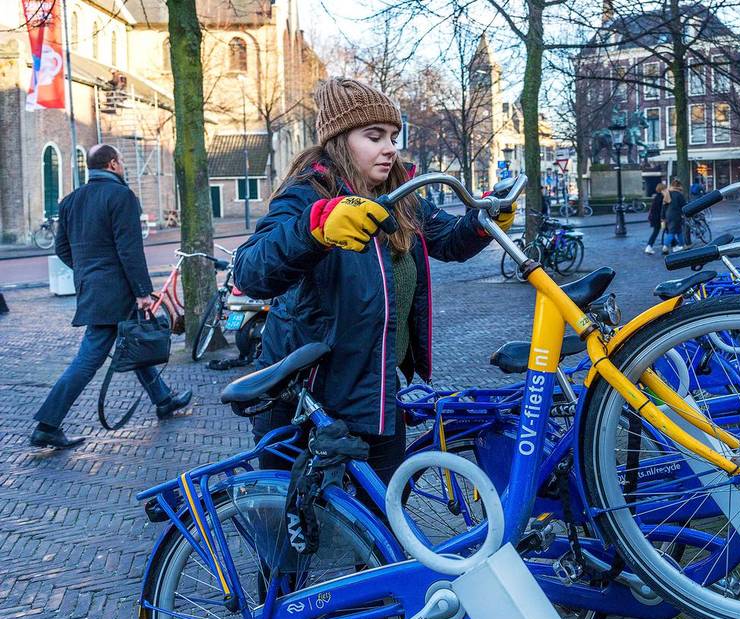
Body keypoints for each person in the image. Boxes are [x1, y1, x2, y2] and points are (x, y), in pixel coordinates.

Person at [233, 77, 514, 488]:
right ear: (340, 140)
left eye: (394, 136)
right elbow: (250, 271)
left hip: (377, 392)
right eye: (374, 136)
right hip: (308, 402)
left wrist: (483, 221)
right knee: (297, 533)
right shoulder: (306, 193)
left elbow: (448, 239)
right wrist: (317, 227)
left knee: (380, 525)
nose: (390, 148)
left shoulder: (401, 195)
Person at [29, 145, 191, 450]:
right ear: (114, 163)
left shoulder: (70, 201)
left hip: (94, 290)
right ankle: (47, 425)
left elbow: (63, 249)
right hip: (118, 292)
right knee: (88, 359)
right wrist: (142, 291)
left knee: (134, 342)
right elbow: (129, 249)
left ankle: (164, 399)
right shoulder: (121, 197)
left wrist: (90, 273)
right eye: (122, 163)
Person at [664, 179, 687, 253]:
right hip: (676, 215)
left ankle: (683, 245)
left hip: (668, 214)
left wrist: (662, 216)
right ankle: (665, 246)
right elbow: (684, 205)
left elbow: (664, 205)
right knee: (672, 231)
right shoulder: (679, 194)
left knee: (679, 231)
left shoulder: (668, 193)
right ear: (679, 186)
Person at [644, 182, 666, 255]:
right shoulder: (662, 197)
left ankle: (649, 247)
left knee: (661, 231)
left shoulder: (656, 197)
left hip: (655, 218)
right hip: (658, 218)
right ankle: (649, 246)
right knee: (665, 231)